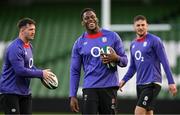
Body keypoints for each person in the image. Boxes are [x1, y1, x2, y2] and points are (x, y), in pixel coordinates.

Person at [69, 8, 128, 114]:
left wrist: (116, 58)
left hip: (109, 88)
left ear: (97, 19)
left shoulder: (112, 36)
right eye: (87, 18)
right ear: (83, 23)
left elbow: (125, 61)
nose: (90, 19)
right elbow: (75, 71)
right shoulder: (79, 43)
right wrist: (72, 95)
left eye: (92, 17)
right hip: (90, 88)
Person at [119, 15, 177, 115]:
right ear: (134, 27)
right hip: (140, 84)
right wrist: (123, 80)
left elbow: (165, 62)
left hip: (152, 83)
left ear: (147, 26)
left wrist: (171, 82)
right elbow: (132, 67)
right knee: (148, 112)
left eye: (143, 25)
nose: (140, 27)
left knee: (138, 112)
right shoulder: (133, 44)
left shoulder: (155, 40)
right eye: (138, 25)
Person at [0, 17, 54, 114]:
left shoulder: (29, 46)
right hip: (10, 92)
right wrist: (41, 73)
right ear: (22, 30)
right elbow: (20, 70)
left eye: (34, 30)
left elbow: (29, 67)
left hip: (25, 92)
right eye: (30, 29)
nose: (33, 32)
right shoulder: (15, 48)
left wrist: (43, 74)